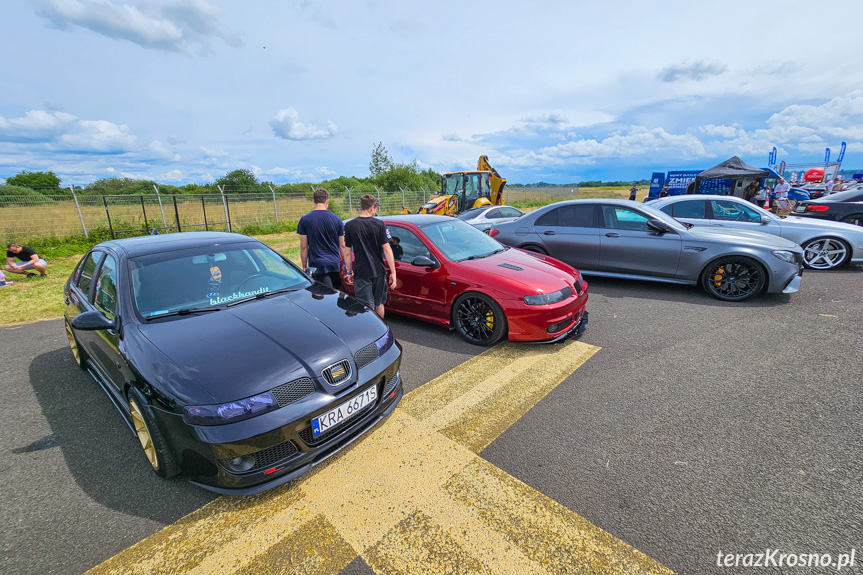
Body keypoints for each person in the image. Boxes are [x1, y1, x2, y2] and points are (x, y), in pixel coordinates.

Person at [343, 195, 396, 319]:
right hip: (379, 271)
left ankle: (370, 333)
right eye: (376, 208)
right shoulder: (380, 224)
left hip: (361, 272)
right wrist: (393, 272)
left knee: (365, 307)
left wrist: (349, 271)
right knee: (379, 304)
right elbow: (387, 249)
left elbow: (346, 252)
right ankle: (381, 331)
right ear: (372, 207)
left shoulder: (350, 225)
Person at [297, 188, 346, 290]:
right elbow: (342, 246)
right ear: (327, 201)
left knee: (321, 295)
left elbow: (303, 246)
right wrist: (345, 265)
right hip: (334, 264)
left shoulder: (304, 220)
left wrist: (304, 266)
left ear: (314, 201)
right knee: (334, 295)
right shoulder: (337, 219)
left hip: (317, 265)